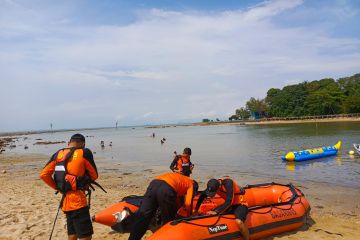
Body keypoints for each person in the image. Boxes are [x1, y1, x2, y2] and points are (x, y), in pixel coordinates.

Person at [40, 133, 98, 240]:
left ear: (69, 143)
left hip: (65, 201)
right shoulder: (84, 152)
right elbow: (94, 175)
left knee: (72, 233)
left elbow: (43, 174)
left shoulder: (58, 153)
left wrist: (58, 188)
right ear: (83, 144)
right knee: (86, 235)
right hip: (79, 201)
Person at [128, 172, 198, 240]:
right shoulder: (191, 183)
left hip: (154, 184)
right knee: (169, 221)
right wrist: (190, 217)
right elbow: (188, 204)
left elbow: (179, 202)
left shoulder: (182, 180)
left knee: (143, 217)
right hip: (167, 188)